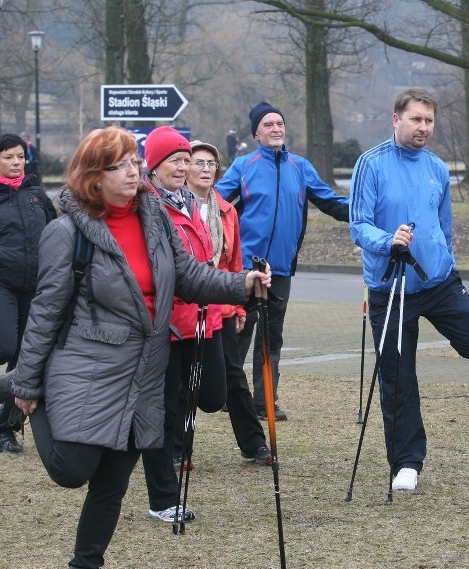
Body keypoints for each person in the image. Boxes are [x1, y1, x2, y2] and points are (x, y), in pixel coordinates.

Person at [0, 126, 270, 569]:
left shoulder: (154, 219)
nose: (132, 172)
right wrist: (28, 382)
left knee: (113, 483)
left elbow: (190, 277)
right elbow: (45, 312)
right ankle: (24, 387)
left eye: (134, 163)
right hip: (86, 364)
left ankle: (86, 563)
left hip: (144, 372)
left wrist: (242, 284)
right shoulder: (66, 233)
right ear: (93, 176)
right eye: (119, 165)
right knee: (71, 470)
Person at [349, 88, 469, 492]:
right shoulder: (371, 164)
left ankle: (465, 318)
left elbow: (443, 225)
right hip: (390, 286)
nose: (423, 128)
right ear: (396, 119)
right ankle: (407, 463)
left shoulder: (436, 166)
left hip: (439, 282)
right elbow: (358, 226)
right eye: (416, 119)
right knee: (398, 378)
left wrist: (446, 258)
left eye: (429, 121)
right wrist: (388, 240)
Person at [217, 102, 349, 421]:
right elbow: (215, 204)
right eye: (268, 125)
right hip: (245, 269)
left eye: (280, 123)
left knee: (271, 336)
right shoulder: (244, 166)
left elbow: (331, 202)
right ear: (256, 133)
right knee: (239, 331)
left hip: (280, 269)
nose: (276, 129)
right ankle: (227, 395)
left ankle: (265, 403)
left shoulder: (300, 167)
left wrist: (369, 214)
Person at [138, 126, 228, 522]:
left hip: (201, 318)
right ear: (154, 166)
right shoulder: (148, 206)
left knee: (212, 396)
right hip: (164, 325)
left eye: (185, 160)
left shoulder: (195, 203)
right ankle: (163, 498)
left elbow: (207, 260)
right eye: (174, 160)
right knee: (162, 411)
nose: (183, 166)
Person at [185, 139, 272, 464]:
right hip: (185, 307)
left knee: (233, 376)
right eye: (198, 163)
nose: (205, 169)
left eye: (211, 164)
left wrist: (237, 305)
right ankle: (180, 449)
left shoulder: (226, 210)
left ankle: (253, 444)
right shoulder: (175, 208)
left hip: (219, 304)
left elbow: (233, 263)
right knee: (187, 379)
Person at [0, 133, 56, 454]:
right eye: (9, 157)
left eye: (20, 157)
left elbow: (56, 235)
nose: (16, 163)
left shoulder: (37, 195)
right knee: (2, 349)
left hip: (36, 288)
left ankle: (6, 431)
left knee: (25, 361)